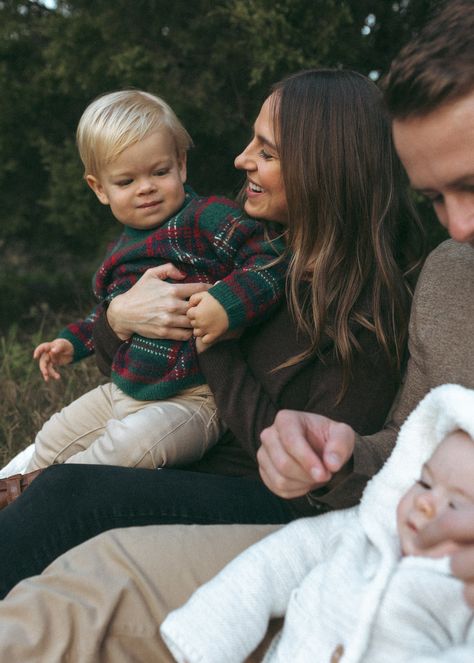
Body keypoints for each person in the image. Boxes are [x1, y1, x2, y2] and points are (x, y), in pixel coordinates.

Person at [0, 68, 421, 658]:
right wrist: (119, 319)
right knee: (57, 465)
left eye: (266, 150)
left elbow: (297, 475)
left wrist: (213, 339)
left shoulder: (365, 305)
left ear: (324, 164)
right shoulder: (247, 242)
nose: (241, 159)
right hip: (183, 447)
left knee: (70, 494)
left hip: (257, 495)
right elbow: (139, 375)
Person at [1, 88, 287, 490]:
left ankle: (45, 492)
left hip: (194, 400)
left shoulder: (207, 218)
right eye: (126, 180)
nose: (146, 188)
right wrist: (72, 341)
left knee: (129, 447)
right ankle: (13, 491)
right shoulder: (120, 251)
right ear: (99, 189)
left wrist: (227, 302)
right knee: (53, 434)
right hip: (126, 388)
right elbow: (106, 310)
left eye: (159, 172)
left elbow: (271, 257)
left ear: (181, 166)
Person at [161, 384, 474, 663]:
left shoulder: (463, 594)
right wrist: (206, 634)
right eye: (425, 482)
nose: (425, 502)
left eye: (456, 504)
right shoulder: (364, 530)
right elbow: (274, 564)